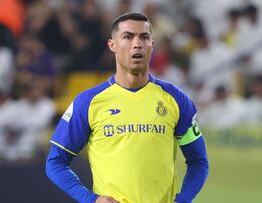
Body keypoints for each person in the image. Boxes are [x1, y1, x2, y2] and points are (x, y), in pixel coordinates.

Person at [46, 12, 209, 203]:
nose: (137, 43)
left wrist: (183, 200)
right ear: (112, 45)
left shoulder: (175, 99)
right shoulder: (89, 102)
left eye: (144, 37)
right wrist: (91, 199)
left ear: (152, 45)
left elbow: (198, 161)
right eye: (128, 36)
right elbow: (55, 162)